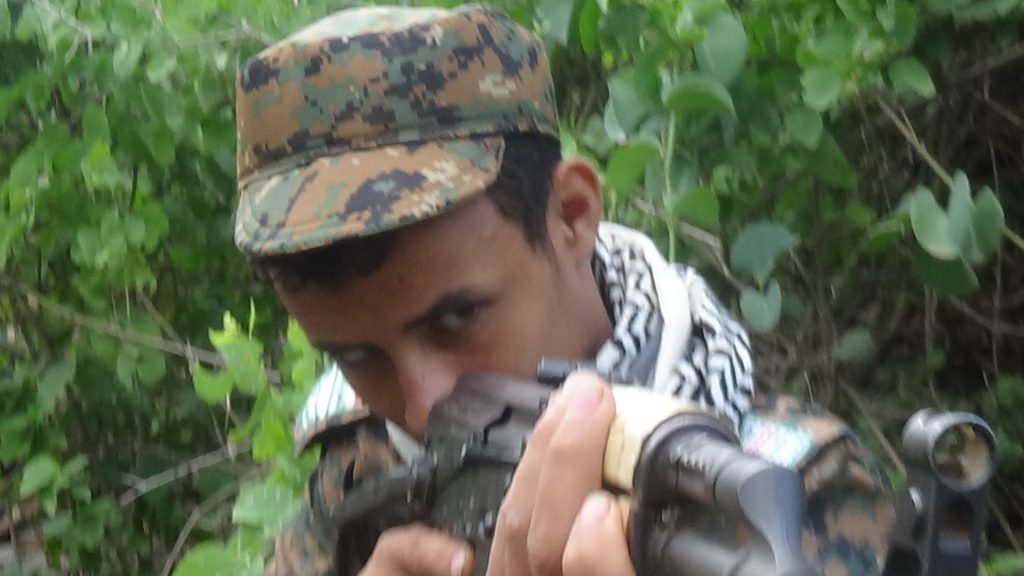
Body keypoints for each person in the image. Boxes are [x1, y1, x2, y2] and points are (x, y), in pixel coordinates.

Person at [232, 5, 893, 576]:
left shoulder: (783, 490)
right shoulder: (361, 467)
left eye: (458, 318)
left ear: (572, 214)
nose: (420, 407)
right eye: (354, 356)